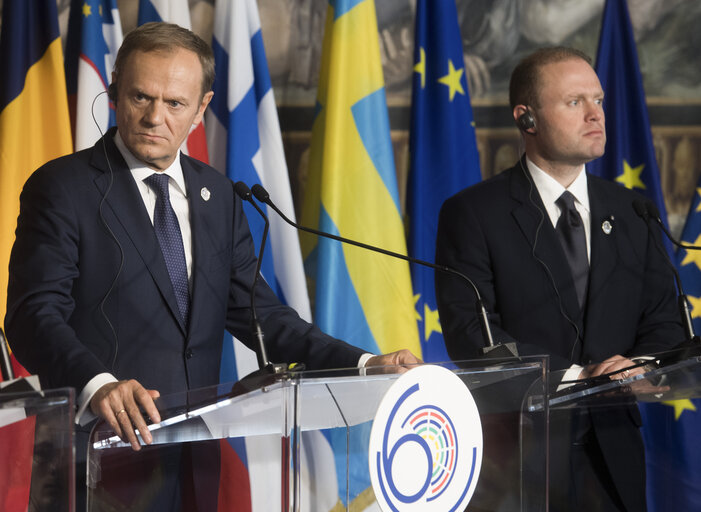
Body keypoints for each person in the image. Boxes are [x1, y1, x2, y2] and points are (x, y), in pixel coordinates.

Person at [4, 22, 420, 509]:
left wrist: (365, 364)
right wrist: (99, 384)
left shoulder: (219, 195)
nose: (154, 117)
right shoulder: (63, 187)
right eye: (141, 97)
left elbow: (264, 317)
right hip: (101, 457)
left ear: (201, 109)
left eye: (175, 104)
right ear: (115, 92)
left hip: (195, 456)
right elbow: (32, 315)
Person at [435, 47, 683, 511]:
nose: (595, 115)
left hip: (613, 463)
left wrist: (642, 365)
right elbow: (472, 336)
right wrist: (582, 379)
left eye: (599, 100)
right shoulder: (473, 213)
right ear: (526, 119)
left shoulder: (633, 210)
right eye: (575, 102)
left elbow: (665, 322)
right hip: (517, 466)